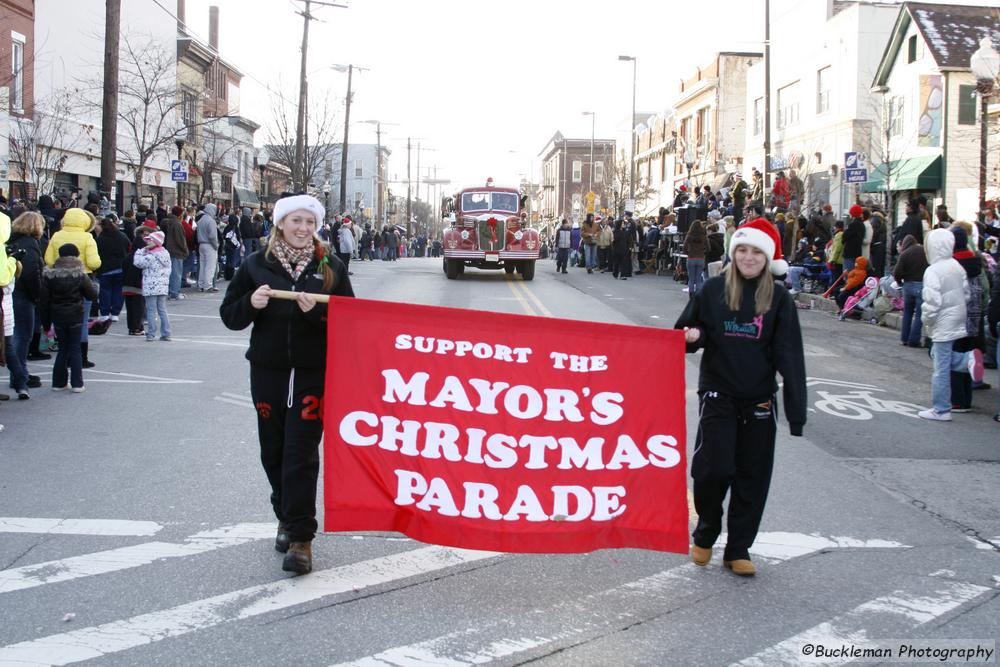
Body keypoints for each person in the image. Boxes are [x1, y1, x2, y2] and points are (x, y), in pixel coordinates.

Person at [220, 194, 354, 575]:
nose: (303, 229)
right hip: (269, 372)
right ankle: (284, 513)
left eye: (309, 223)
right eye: (296, 221)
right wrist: (251, 302)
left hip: (312, 374)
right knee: (273, 451)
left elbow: (350, 322)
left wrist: (317, 315)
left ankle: (301, 538)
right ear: (281, 223)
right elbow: (230, 316)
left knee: (302, 453)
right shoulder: (254, 265)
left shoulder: (331, 268)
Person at [674, 218, 806, 577]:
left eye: (757, 252)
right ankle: (705, 534)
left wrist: (796, 412)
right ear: (734, 253)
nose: (749, 258)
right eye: (743, 250)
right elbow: (684, 332)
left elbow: (790, 355)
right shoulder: (714, 290)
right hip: (719, 394)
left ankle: (738, 548)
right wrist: (693, 336)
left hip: (760, 400)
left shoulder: (778, 299)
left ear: (768, 258)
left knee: (752, 475)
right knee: (712, 469)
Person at [917, 229, 969, 421]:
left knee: (941, 368)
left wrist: (926, 322)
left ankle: (941, 408)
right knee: (941, 356)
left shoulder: (933, 270)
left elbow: (931, 303)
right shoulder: (956, 266)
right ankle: (969, 360)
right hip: (957, 316)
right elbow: (967, 293)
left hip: (942, 320)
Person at [44, 208, 101, 369]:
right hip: (83, 278)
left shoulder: (57, 235)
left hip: (59, 278)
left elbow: (48, 259)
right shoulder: (87, 237)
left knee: (61, 318)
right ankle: (81, 356)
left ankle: (64, 353)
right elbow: (94, 262)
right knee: (82, 321)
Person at [39, 244, 98, 392]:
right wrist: (94, 286)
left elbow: (44, 301)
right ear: (76, 255)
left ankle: (59, 383)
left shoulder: (50, 275)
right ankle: (77, 383)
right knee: (75, 349)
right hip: (75, 314)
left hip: (57, 315)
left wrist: (46, 324)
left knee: (63, 349)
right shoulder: (80, 274)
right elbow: (91, 295)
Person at [8, 212, 44, 398]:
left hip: (11, 292)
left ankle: (19, 374)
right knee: (22, 337)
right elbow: (31, 273)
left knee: (13, 337)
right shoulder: (30, 244)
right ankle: (20, 375)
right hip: (23, 295)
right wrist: (38, 295)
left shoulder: (11, 241)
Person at [132, 231, 173, 341]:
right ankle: (166, 333)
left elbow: (138, 263)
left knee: (151, 310)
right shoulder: (165, 253)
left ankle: (151, 333)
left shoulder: (150, 256)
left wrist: (140, 251)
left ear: (155, 242)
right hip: (163, 286)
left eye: (149, 240)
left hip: (150, 286)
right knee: (162, 309)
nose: (147, 242)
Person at [893, 235, 929, 348]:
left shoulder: (904, 254)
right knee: (919, 314)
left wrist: (900, 283)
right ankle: (914, 340)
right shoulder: (924, 251)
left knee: (907, 313)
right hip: (921, 284)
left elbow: (897, 272)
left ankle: (904, 338)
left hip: (908, 285)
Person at [95, 216, 131, 322]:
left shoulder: (100, 239)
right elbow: (128, 247)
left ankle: (105, 313)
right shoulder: (122, 236)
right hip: (120, 267)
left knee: (105, 291)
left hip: (105, 268)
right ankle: (115, 313)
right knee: (118, 291)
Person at [163, 206, 189, 300]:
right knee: (176, 273)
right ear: (179, 214)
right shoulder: (177, 224)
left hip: (170, 250)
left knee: (172, 273)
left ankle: (172, 291)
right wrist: (185, 250)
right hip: (177, 251)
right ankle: (174, 292)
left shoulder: (169, 221)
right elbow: (180, 239)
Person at [196, 203, 220, 292]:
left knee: (202, 265)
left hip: (201, 244)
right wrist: (216, 245)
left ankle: (201, 284)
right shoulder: (211, 221)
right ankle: (208, 285)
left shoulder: (201, 220)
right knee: (210, 266)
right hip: (209, 245)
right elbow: (212, 236)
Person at [683, 219, 708, 296]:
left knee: (691, 278)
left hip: (691, 258)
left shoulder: (689, 236)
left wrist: (688, 253)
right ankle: (697, 294)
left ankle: (691, 293)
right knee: (698, 279)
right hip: (700, 258)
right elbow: (708, 248)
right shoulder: (704, 237)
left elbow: (684, 246)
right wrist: (703, 253)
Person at [842, 205, 865, 271]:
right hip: (857, 252)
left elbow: (845, 236)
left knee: (848, 274)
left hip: (849, 253)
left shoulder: (853, 224)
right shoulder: (862, 224)